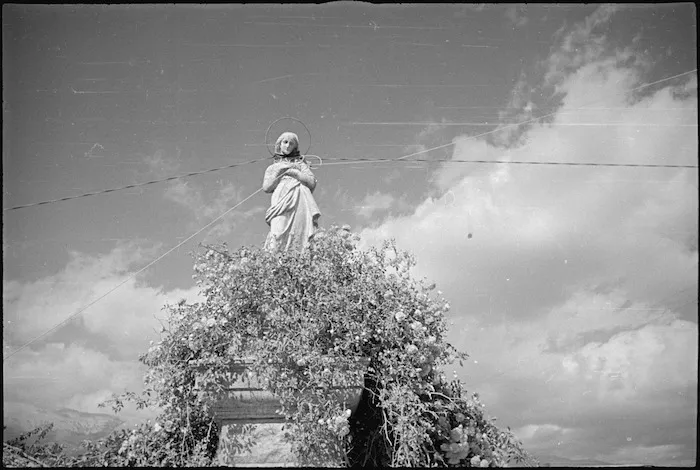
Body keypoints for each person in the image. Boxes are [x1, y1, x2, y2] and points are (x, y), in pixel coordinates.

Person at [262, 132, 321, 253]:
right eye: (285, 142)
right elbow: (267, 187)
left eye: (291, 143)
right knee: (277, 233)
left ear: (295, 147)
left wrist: (294, 172)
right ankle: (275, 265)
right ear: (279, 144)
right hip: (281, 199)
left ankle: (297, 263)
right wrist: (279, 172)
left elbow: (311, 182)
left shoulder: (300, 165)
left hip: (299, 197)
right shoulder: (272, 168)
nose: (288, 145)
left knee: (300, 233)